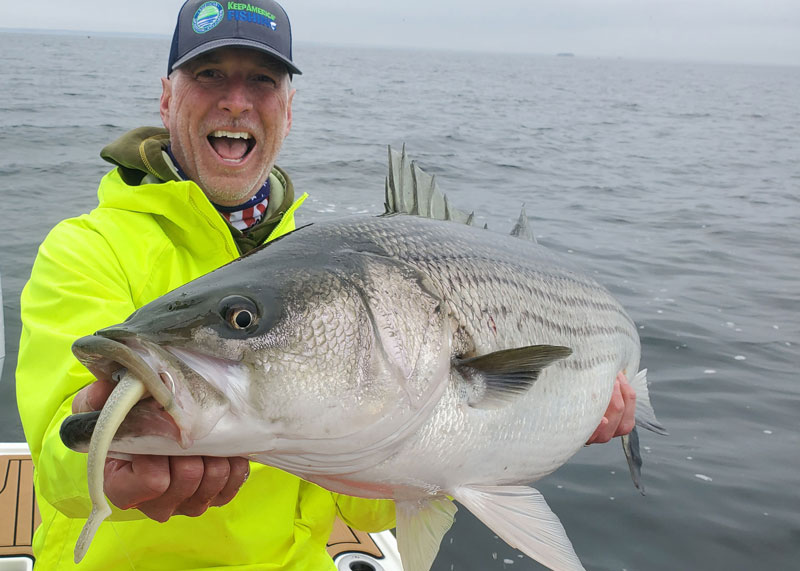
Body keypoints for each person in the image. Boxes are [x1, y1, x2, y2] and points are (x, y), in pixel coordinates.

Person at [15, 0, 635, 568]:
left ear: (287, 108)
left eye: (262, 80)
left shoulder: (318, 254)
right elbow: (56, 460)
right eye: (209, 75)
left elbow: (363, 509)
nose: (236, 101)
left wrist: (562, 419)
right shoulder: (86, 248)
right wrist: (108, 467)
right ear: (165, 97)